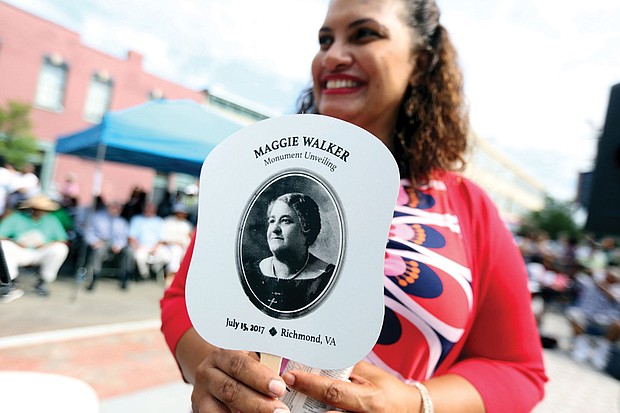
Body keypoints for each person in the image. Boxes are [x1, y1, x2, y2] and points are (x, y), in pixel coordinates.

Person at [160, 1, 547, 412]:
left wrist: (417, 404)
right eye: (325, 40)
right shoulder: (264, 169)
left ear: (421, 61)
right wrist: (219, 373)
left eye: (364, 34)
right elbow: (182, 301)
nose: (333, 56)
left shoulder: (467, 208)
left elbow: (518, 368)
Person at [245, 193, 335, 314]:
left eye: (285, 221)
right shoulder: (250, 273)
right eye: (272, 221)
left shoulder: (327, 280)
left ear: (306, 228)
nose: (275, 229)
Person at [0, 194, 69, 296]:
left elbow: (63, 240)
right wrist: (16, 242)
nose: (42, 211)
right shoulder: (16, 218)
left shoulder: (52, 220)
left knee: (60, 249)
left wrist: (46, 244)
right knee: (4, 245)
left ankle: (43, 282)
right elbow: (1, 235)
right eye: (39, 209)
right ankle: (11, 281)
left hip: (41, 252)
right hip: (20, 251)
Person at [566, 266, 620, 370]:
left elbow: (612, 297)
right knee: (573, 313)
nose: (613, 278)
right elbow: (579, 277)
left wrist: (603, 286)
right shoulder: (592, 281)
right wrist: (593, 274)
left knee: (618, 325)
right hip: (587, 316)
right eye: (611, 275)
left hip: (606, 321)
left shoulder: (617, 289)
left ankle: (602, 351)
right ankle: (582, 346)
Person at [83, 200, 131, 290]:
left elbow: (125, 237)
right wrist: (94, 241)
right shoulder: (97, 218)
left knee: (128, 252)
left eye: (117, 209)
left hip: (116, 244)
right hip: (102, 241)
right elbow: (89, 232)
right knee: (98, 251)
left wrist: (119, 245)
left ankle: (124, 277)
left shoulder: (122, 222)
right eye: (113, 208)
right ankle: (94, 277)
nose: (115, 210)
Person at [128, 202, 169, 280]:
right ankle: (144, 274)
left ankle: (155, 269)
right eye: (147, 207)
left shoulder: (160, 221)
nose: (149, 210)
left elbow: (162, 239)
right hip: (141, 245)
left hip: (156, 246)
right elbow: (131, 237)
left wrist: (155, 248)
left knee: (167, 257)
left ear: (155, 210)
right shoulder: (137, 219)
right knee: (139, 256)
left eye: (151, 208)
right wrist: (138, 246)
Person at [160, 203, 193, 286]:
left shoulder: (187, 224)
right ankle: (171, 276)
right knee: (176, 251)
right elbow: (164, 239)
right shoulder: (167, 222)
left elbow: (189, 237)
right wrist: (177, 243)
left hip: (184, 247)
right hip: (169, 246)